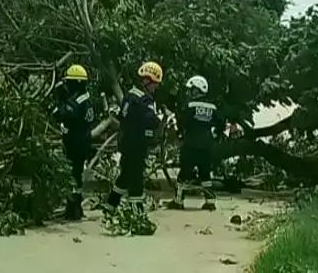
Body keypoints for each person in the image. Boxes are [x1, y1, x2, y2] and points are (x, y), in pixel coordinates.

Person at [104, 61, 163, 222]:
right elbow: (150, 119)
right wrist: (160, 120)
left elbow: (123, 118)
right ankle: (137, 213)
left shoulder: (130, 96)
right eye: (154, 84)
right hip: (136, 144)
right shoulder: (143, 100)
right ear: (146, 81)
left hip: (126, 142)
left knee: (125, 176)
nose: (155, 88)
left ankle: (110, 205)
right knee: (136, 178)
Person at [166, 75, 225, 211]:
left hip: (191, 144)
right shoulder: (213, 107)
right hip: (207, 145)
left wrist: (180, 133)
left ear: (197, 90)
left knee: (184, 173)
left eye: (192, 90)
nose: (190, 92)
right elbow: (221, 124)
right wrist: (215, 136)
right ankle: (210, 202)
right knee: (205, 174)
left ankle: (179, 201)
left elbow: (181, 122)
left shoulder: (190, 106)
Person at [55, 63, 96, 220]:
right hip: (80, 140)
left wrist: (60, 100)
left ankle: (74, 209)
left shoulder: (77, 100)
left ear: (76, 83)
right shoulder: (84, 98)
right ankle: (74, 206)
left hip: (75, 142)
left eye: (69, 82)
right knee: (76, 174)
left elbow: (62, 114)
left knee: (73, 174)